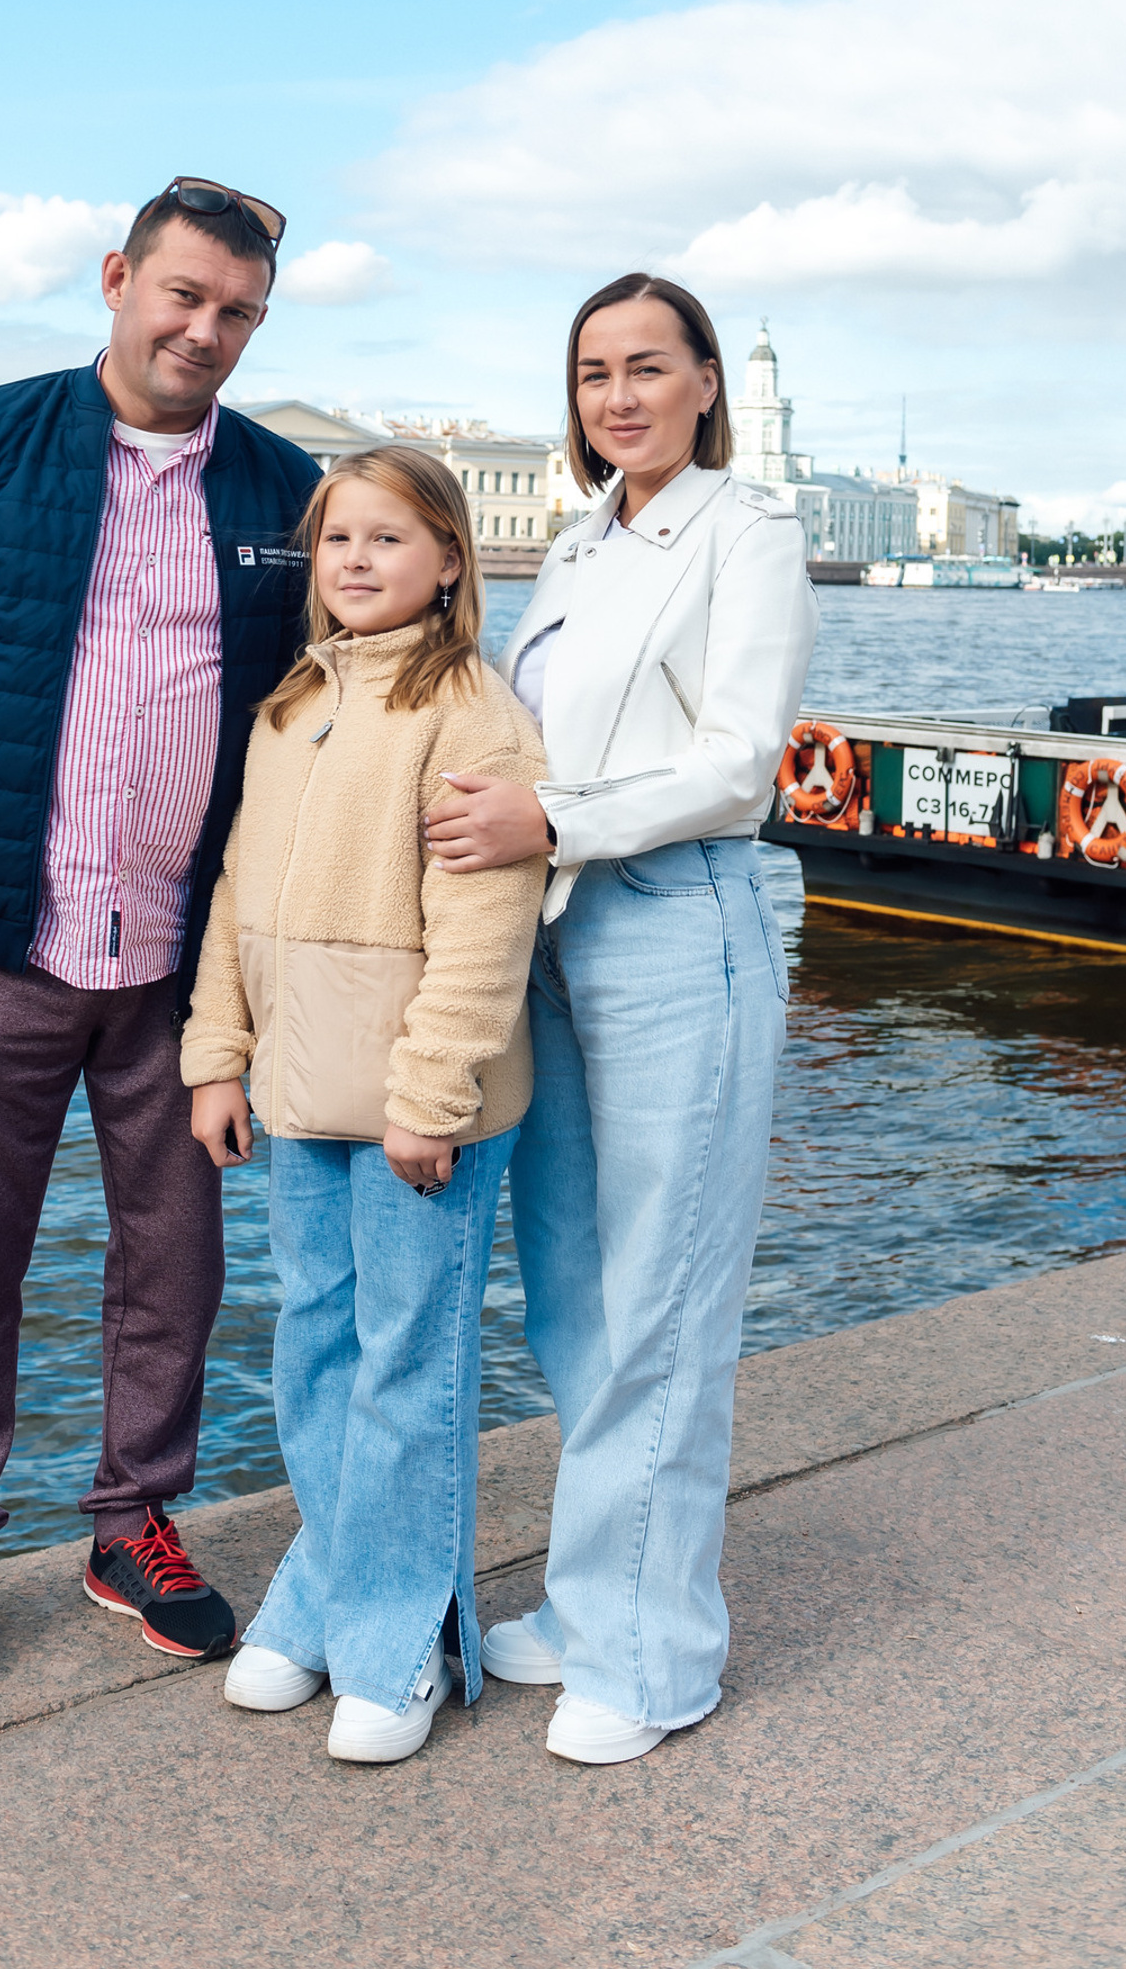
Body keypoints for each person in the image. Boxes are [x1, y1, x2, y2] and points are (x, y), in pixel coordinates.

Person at [0, 178, 320, 1704]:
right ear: (117, 279)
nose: (204, 332)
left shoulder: (282, 489)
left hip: (184, 955)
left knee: (174, 1253)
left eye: (237, 312)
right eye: (182, 296)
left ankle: (131, 1521)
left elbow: (312, 696)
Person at [424, 273, 817, 1766]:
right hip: (562, 933)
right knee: (579, 1294)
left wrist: (551, 817)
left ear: (709, 381)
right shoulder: (584, 540)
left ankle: (657, 1657)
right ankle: (599, 1603)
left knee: (663, 1297)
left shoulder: (746, 528)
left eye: (650, 368)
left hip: (674, 926)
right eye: (594, 372)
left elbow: (738, 768)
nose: (619, 397)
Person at [182, 446, 547, 1763]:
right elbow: (235, 894)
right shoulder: (290, 708)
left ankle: (399, 1649)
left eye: (390, 540)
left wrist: (430, 1098)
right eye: (338, 540)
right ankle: (330, 1593)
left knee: (409, 1364)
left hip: (417, 1107)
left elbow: (486, 925)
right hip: (298, 1090)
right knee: (314, 1347)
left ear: (451, 559)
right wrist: (216, 1056)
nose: (357, 562)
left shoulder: (472, 715)